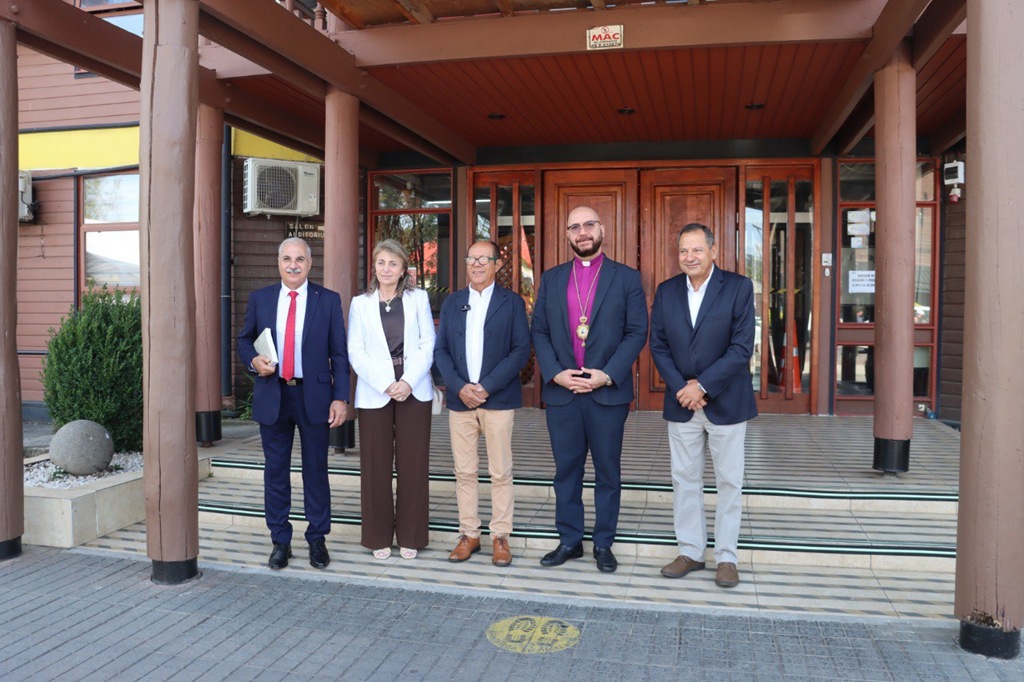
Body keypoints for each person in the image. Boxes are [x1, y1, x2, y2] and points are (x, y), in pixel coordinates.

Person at [531, 206, 648, 573]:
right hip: (563, 393)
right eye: (575, 227)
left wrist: (607, 374)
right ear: (568, 235)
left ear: (602, 229)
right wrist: (555, 374)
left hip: (606, 393)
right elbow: (539, 331)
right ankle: (570, 540)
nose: (582, 232)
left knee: (607, 473)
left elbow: (637, 331)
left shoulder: (626, 278)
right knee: (566, 471)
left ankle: (603, 543)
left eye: (588, 225)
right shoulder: (551, 279)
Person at [649, 222, 757, 588]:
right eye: (683, 250)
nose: (689, 257)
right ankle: (691, 551)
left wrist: (703, 386)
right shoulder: (666, 291)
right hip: (682, 401)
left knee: (729, 482)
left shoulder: (738, 287)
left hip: (727, 402)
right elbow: (658, 346)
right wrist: (683, 388)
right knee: (684, 480)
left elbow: (741, 347)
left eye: (697, 249)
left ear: (713, 251)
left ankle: (726, 557)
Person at [237, 237, 349, 570]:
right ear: (278, 262)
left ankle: (317, 539)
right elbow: (244, 340)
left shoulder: (328, 300)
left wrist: (340, 397)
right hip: (273, 394)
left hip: (314, 397)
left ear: (310, 263)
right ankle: (280, 541)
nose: (293, 265)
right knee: (275, 472)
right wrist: (254, 360)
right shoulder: (261, 298)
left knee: (316, 470)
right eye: (287, 258)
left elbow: (339, 354)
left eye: (300, 259)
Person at [434, 240, 531, 566]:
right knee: (464, 471)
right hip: (461, 401)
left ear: (496, 265)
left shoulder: (512, 302)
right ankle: (469, 534)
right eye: (471, 258)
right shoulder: (453, 302)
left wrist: (486, 386)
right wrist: (458, 387)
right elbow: (441, 350)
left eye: (483, 259)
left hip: (498, 400)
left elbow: (520, 350)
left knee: (500, 471)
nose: (476, 264)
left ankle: (500, 536)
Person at [348, 239, 435, 560]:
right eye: (381, 262)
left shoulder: (418, 299)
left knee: (414, 465)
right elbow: (355, 351)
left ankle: (411, 535)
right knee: (375, 466)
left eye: (393, 264)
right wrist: (386, 384)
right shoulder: (360, 304)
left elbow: (428, 343)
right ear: (374, 267)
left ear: (403, 270)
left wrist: (408, 381)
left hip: (414, 389)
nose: (386, 269)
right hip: (375, 392)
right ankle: (377, 536)